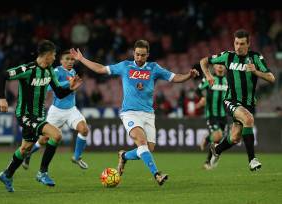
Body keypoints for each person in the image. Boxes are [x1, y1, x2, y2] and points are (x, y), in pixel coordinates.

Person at [70, 39, 199, 186]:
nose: (139, 58)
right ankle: (157, 174)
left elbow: (174, 77)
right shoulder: (125, 66)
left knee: (148, 149)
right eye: (137, 54)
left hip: (148, 114)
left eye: (142, 55)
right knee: (142, 143)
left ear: (147, 55)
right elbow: (101, 69)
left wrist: (188, 75)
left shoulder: (154, 68)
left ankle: (124, 155)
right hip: (130, 113)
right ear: (133, 53)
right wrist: (81, 59)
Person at [0, 40, 82, 192]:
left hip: (39, 115)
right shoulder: (28, 69)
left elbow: (59, 92)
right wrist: (2, 98)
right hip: (25, 115)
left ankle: (7, 174)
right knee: (56, 135)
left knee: (25, 148)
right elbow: (3, 76)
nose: (55, 57)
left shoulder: (49, 70)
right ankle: (42, 172)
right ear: (47, 55)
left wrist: (70, 88)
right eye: (54, 54)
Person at [200, 29, 275, 171]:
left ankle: (217, 149)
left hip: (248, 103)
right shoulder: (227, 56)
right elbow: (203, 61)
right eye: (236, 43)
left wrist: (255, 72)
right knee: (248, 119)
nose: (238, 47)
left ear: (248, 44)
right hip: (231, 100)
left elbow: (271, 78)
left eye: (242, 44)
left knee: (234, 138)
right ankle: (252, 160)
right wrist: (209, 75)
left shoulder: (256, 57)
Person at [21, 50, 89, 170]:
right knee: (43, 139)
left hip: (71, 110)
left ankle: (77, 157)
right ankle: (28, 154)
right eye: (67, 59)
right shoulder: (56, 71)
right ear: (61, 60)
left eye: (72, 59)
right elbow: (47, 88)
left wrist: (72, 84)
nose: (70, 61)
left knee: (84, 129)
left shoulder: (73, 72)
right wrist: (68, 83)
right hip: (56, 111)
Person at [195, 64, 228, 170]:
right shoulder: (209, 78)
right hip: (211, 114)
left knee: (217, 141)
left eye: (223, 64)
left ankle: (207, 162)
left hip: (223, 115)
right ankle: (207, 138)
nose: (220, 66)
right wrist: (202, 98)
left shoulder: (228, 81)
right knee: (217, 136)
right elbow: (198, 90)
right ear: (214, 67)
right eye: (218, 64)